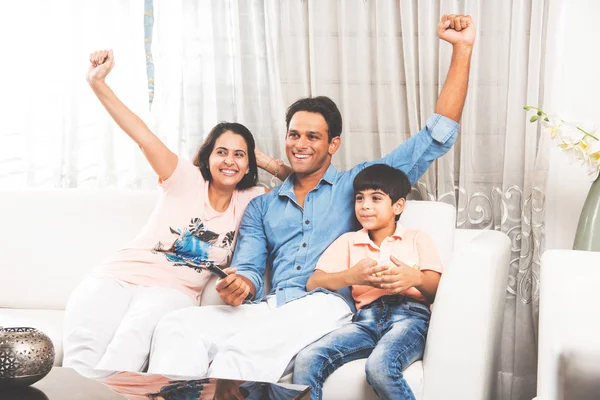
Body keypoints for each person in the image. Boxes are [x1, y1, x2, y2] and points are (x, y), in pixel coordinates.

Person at [147, 14, 475, 382]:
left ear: (333, 144)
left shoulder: (357, 186)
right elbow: (251, 268)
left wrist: (461, 49)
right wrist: (242, 284)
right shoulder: (262, 205)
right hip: (273, 305)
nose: (300, 145)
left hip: (325, 304)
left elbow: (435, 136)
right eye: (293, 135)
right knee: (177, 326)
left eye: (313, 137)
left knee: (239, 357)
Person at [62, 50, 290, 373]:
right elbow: (141, 134)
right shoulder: (185, 177)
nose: (229, 161)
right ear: (207, 156)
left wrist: (264, 159)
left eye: (240, 155)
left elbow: (306, 186)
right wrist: (97, 83)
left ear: (248, 164)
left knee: (126, 351)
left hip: (173, 292)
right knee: (79, 361)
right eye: (221, 152)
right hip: (116, 275)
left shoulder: (253, 199)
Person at [292, 164, 441, 400]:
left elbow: (435, 289)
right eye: (359, 198)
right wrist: (353, 276)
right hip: (365, 321)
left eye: (376, 198)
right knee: (307, 359)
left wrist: (416, 278)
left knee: (380, 366)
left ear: (398, 206)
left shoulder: (416, 238)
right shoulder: (349, 241)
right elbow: (314, 282)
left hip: (410, 318)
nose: (365, 205)